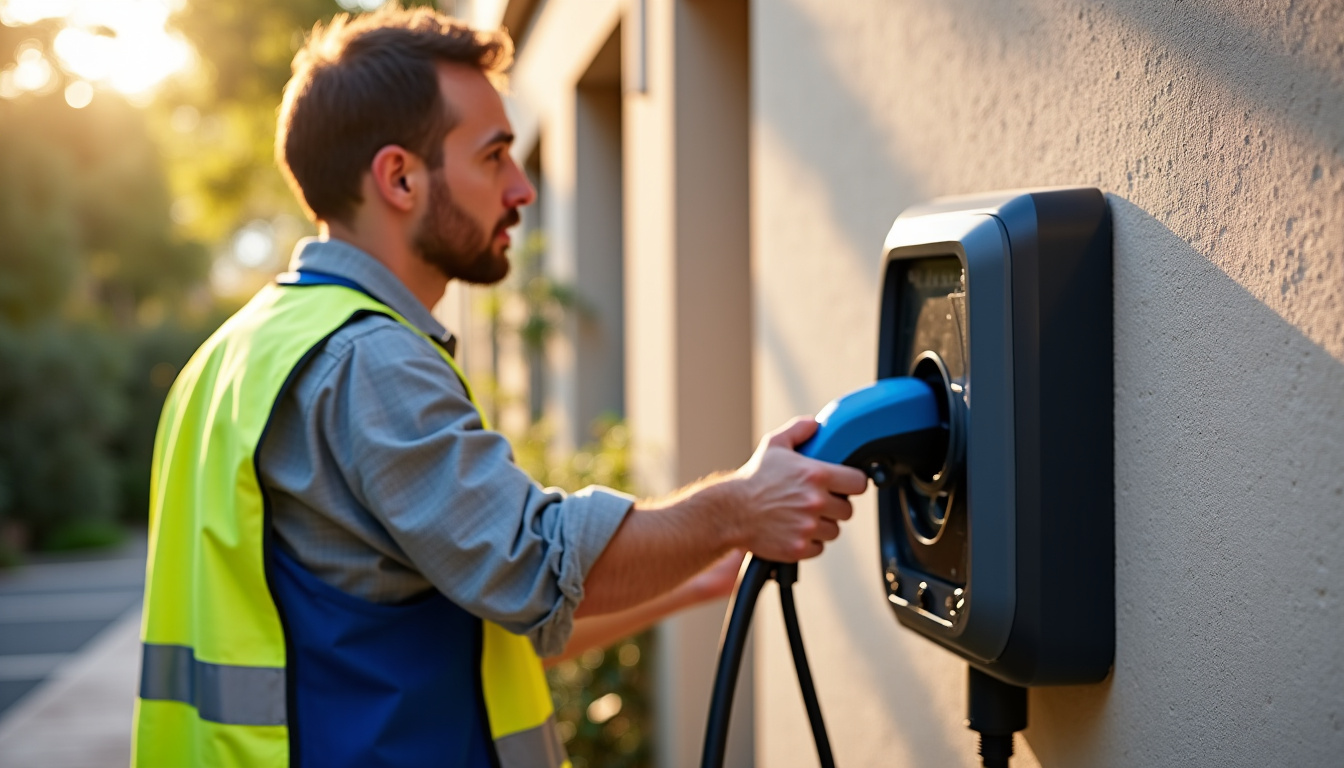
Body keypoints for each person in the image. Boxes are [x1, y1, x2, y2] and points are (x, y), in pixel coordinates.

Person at [132, 5, 867, 767]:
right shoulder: (368, 360)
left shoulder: (236, 355)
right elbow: (538, 567)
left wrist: (687, 575)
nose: (522, 189)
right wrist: (739, 508)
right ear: (400, 177)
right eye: (494, 156)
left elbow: (480, 617)